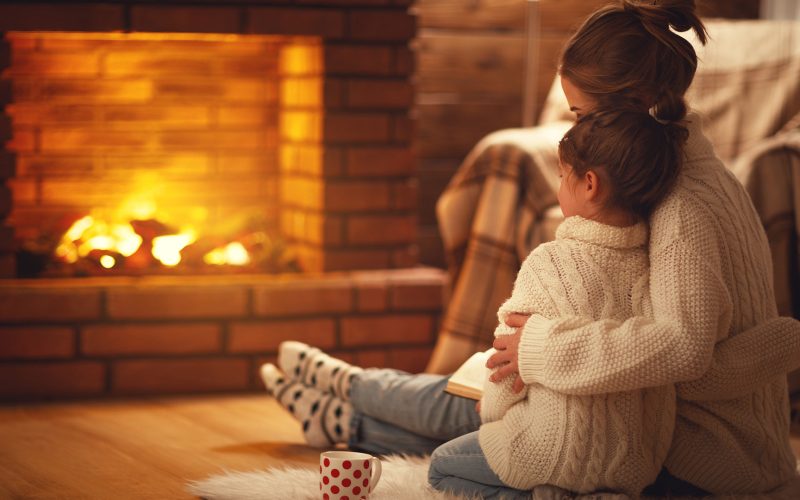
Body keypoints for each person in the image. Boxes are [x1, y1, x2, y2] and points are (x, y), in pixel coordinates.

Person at [261, 0, 800, 496]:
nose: (577, 131)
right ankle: (350, 401)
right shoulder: (695, 171)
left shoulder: (681, 204)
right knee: (493, 389)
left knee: (492, 403)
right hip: (664, 411)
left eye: (581, 115)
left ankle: (353, 400)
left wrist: (542, 351)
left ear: (636, 104)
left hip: (703, 455)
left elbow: (685, 346)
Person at [425, 109, 687, 499]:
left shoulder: (550, 263)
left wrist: (494, 413)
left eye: (563, 176)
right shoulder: (657, 267)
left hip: (551, 451)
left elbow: (505, 368)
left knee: (442, 468)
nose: (559, 186)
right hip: (636, 464)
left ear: (590, 184)